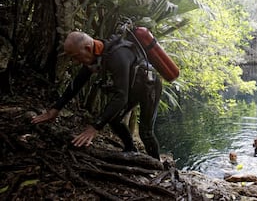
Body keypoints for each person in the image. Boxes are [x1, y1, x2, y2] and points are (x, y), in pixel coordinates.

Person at [32, 31, 162, 160]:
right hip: (132, 86)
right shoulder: (97, 55)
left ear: (88, 48)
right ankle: (130, 149)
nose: (75, 62)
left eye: (75, 56)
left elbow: (121, 97)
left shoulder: (116, 57)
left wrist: (95, 127)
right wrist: (55, 109)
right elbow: (77, 83)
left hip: (149, 86)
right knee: (114, 119)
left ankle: (157, 164)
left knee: (145, 131)